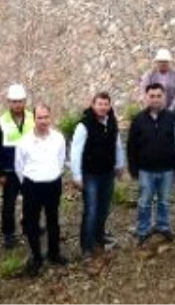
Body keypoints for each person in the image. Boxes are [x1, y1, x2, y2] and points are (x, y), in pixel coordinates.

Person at [70, 92, 126, 260]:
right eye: (99, 104)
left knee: (104, 208)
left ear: (109, 106)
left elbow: (117, 144)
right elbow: (75, 152)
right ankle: (86, 246)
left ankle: (99, 236)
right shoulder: (84, 125)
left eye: (105, 104)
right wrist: (76, 175)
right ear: (93, 105)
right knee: (91, 210)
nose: (103, 107)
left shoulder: (112, 121)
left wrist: (120, 164)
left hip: (108, 172)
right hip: (90, 175)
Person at [14, 104, 68, 276]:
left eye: (46, 117)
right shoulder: (24, 142)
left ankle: (54, 253)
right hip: (32, 186)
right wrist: (28, 182)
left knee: (53, 220)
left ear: (50, 117)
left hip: (53, 184)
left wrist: (53, 174)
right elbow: (19, 166)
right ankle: (36, 257)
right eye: (40, 117)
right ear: (34, 118)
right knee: (32, 223)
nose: (43, 121)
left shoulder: (58, 138)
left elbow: (61, 160)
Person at [127, 83, 175, 244]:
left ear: (164, 97)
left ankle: (163, 226)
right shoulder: (138, 119)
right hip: (146, 170)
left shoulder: (172, 118)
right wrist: (133, 168)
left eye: (158, 96)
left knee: (164, 200)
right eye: (152, 96)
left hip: (167, 169)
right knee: (144, 201)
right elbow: (131, 145)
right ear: (146, 97)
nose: (155, 99)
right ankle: (143, 229)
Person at [0, 83, 33, 248]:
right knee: (9, 204)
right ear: (9, 102)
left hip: (29, 169)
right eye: (14, 101)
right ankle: (8, 234)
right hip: (10, 171)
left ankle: (29, 226)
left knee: (31, 201)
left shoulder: (32, 118)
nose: (17, 105)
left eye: (20, 101)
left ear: (25, 101)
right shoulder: (0, 123)